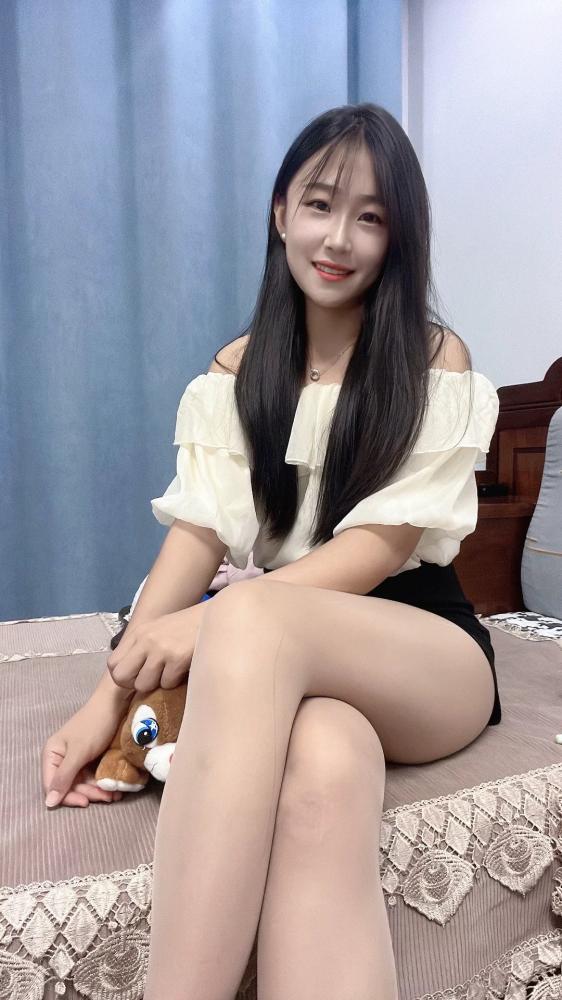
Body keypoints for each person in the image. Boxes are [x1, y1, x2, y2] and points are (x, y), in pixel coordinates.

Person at [41, 103, 501, 999]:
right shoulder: (235, 372)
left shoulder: (432, 357)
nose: (339, 238)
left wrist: (217, 622)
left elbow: (381, 546)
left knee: (246, 613)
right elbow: (197, 534)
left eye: (371, 216)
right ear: (280, 211)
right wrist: (107, 698)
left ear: (398, 237)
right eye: (320, 204)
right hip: (293, 664)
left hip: (422, 653)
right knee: (324, 768)